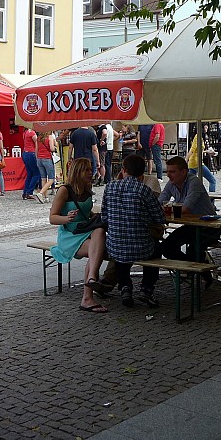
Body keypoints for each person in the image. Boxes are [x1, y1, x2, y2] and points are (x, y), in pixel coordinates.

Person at [101, 154, 166, 308]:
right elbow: (160, 218)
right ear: (142, 173)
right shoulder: (144, 190)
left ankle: (125, 287)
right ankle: (146, 289)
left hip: (114, 246)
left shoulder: (109, 187)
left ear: (123, 170)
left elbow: (104, 217)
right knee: (156, 248)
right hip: (141, 248)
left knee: (121, 247)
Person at [48, 157, 108, 313]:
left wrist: (95, 216)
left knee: (100, 231)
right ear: (77, 172)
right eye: (86, 170)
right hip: (70, 235)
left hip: (86, 231)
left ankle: (91, 282)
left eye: (90, 169)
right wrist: (66, 218)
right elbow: (52, 218)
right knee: (97, 250)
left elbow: (86, 213)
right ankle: (88, 293)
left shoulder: (87, 188)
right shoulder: (65, 190)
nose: (90, 172)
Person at [158, 156, 216, 264]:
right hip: (191, 227)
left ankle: (196, 267)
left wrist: (166, 208)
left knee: (193, 251)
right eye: (167, 171)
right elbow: (158, 203)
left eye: (172, 172)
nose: (168, 175)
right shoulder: (171, 183)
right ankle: (191, 267)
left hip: (209, 227)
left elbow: (186, 209)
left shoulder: (194, 182)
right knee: (166, 247)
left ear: (184, 172)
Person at [34, 130, 57, 203]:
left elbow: (36, 150)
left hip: (39, 159)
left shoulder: (38, 138)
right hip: (47, 158)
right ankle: (40, 193)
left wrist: (37, 158)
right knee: (51, 179)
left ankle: (45, 197)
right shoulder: (50, 137)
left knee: (43, 179)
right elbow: (52, 149)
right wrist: (55, 147)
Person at [20, 125, 40, 200]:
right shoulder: (32, 133)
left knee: (30, 174)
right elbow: (37, 143)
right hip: (31, 154)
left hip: (25, 153)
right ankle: (29, 191)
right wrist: (37, 154)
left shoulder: (25, 132)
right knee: (37, 174)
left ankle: (25, 192)